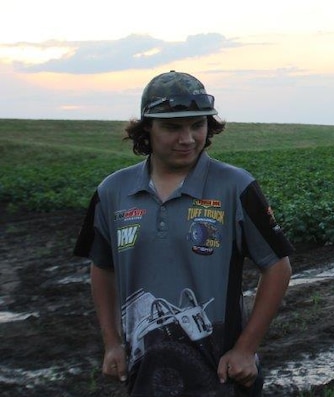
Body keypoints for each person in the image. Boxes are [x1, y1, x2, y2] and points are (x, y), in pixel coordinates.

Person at [73, 70, 294, 396]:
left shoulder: (235, 187)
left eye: (197, 125)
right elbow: (102, 267)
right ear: (147, 127)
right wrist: (112, 343)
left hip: (220, 377)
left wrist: (246, 348)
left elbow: (277, 266)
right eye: (173, 127)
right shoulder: (112, 192)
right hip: (145, 373)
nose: (188, 138)